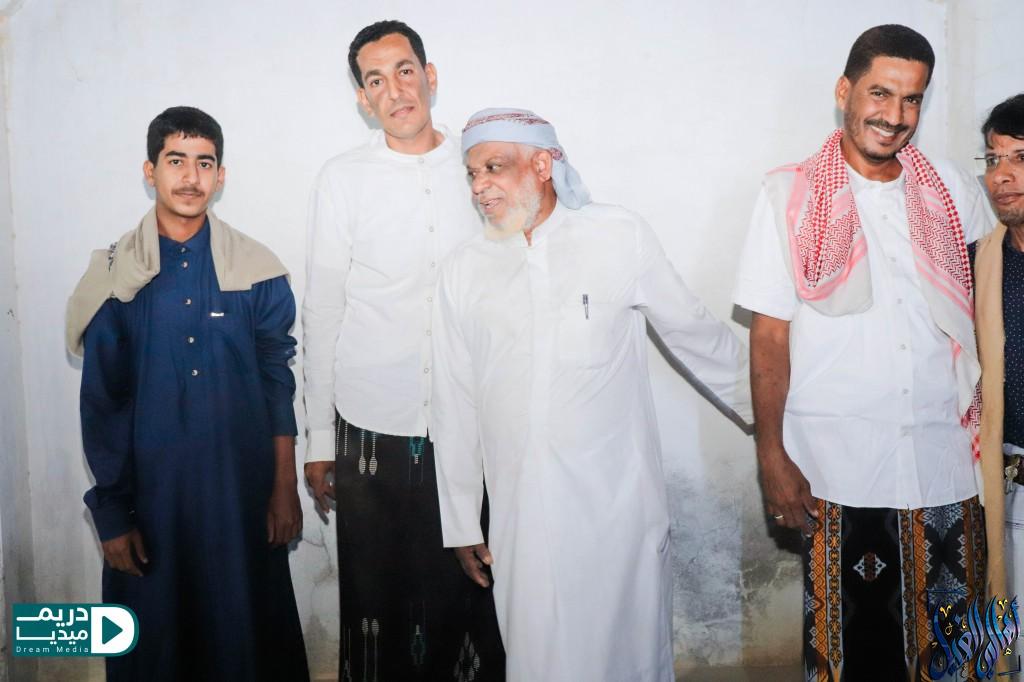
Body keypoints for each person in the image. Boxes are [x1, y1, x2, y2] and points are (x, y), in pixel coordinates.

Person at [431, 107, 752, 682]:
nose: (479, 186)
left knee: (627, 655)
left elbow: (697, 336)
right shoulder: (462, 269)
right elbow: (454, 400)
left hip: (618, 507)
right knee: (538, 656)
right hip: (521, 515)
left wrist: (779, 421)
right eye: (472, 173)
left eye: (494, 168)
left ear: (543, 165)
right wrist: (460, 521)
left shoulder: (617, 234)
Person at [733, 25, 1002, 680]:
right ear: (844, 91)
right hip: (838, 471)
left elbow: (990, 300)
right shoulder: (787, 195)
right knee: (851, 657)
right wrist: (772, 457)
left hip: (945, 462)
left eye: (912, 99)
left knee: (954, 659)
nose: (894, 115)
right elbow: (769, 336)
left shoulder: (951, 191)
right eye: (880, 93)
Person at [66, 106, 308, 681]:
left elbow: (277, 384)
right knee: (156, 645)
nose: (190, 177)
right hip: (152, 506)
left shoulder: (258, 272)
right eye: (176, 161)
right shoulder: (115, 278)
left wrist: (283, 487)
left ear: (220, 176)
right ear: (150, 171)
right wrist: (112, 513)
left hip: (240, 499)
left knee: (247, 641)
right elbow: (102, 403)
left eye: (204, 163)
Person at [301, 20, 504, 681]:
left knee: (474, 592)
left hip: (472, 418)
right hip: (373, 423)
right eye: (376, 80)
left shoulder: (480, 165)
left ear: (430, 76)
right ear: (364, 99)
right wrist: (318, 439)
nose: (395, 90)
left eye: (405, 70)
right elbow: (323, 309)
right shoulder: (343, 179)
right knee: (379, 603)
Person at [971, 93, 1024, 606]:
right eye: (992, 159)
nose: (1000, 176)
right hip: (1006, 493)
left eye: (1020, 157)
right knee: (1008, 634)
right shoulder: (978, 264)